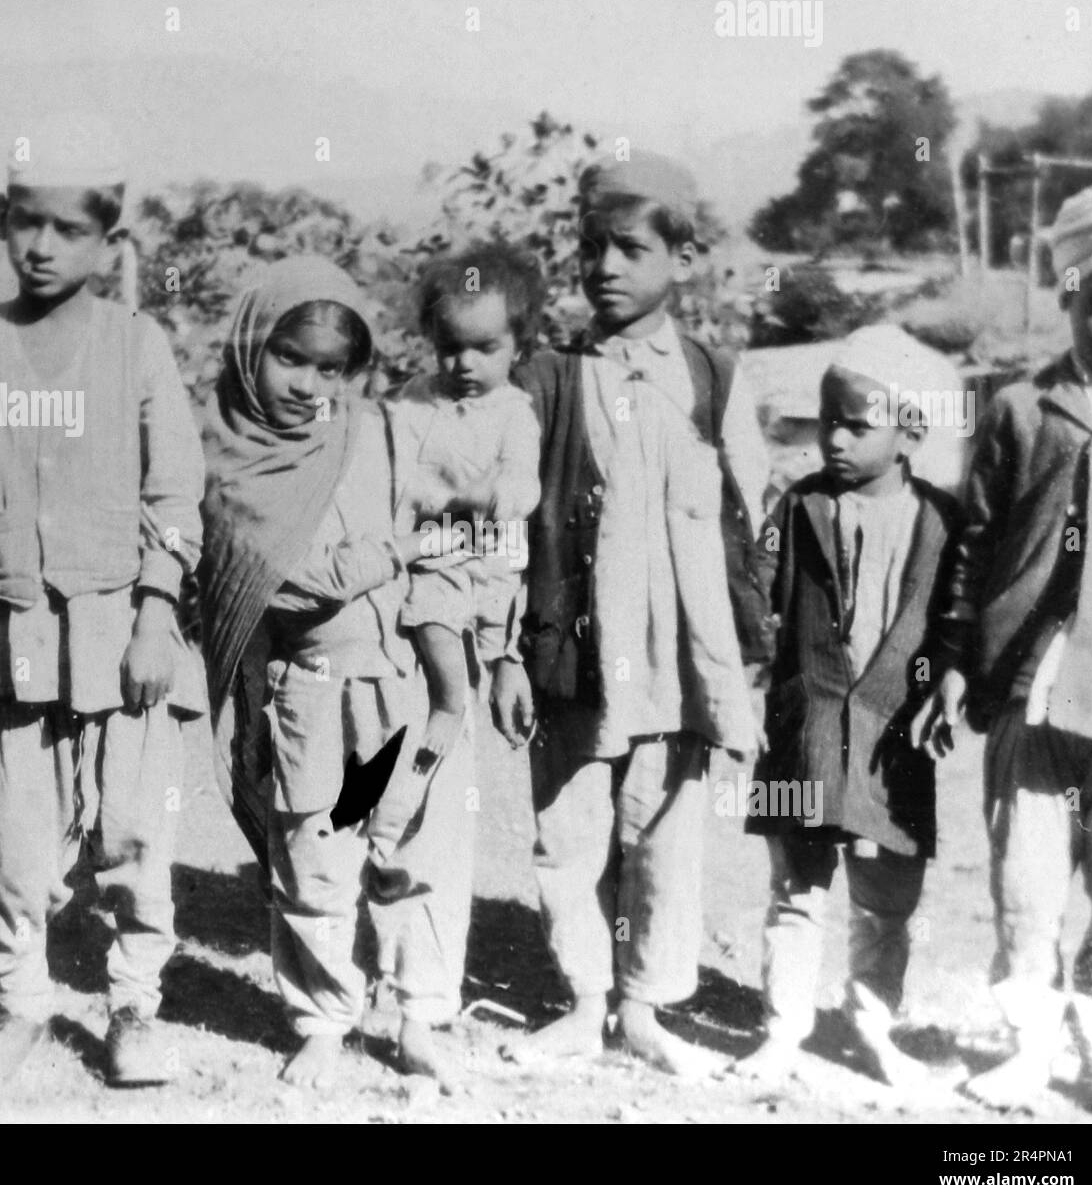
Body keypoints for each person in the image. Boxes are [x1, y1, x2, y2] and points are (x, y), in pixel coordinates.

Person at [0, 112, 206, 1088]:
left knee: (130, 829)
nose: (43, 246)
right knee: (22, 842)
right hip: (12, 633)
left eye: (69, 228)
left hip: (122, 627)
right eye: (27, 223)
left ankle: (132, 1004)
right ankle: (19, 1002)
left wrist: (158, 610)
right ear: (3, 220)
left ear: (108, 241)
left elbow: (174, 493)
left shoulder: (138, 345)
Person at [493, 150, 761, 1076]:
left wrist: (742, 648)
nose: (605, 266)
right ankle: (583, 998)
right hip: (575, 648)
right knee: (569, 827)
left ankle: (645, 1005)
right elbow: (508, 523)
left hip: (677, 657)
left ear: (683, 260)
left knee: (663, 829)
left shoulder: (714, 379)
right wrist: (503, 650)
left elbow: (746, 524)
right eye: (591, 247)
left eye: (632, 249)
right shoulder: (546, 378)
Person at [198, 256, 476, 1092]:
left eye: (332, 368)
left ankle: (420, 1013)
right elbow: (292, 576)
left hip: (401, 689)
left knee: (409, 852)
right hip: (309, 696)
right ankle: (322, 1018)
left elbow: (449, 528)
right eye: (291, 358)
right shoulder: (231, 456)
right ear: (252, 350)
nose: (311, 385)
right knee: (314, 861)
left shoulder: (379, 432)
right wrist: (398, 549)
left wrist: (450, 656)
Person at [914, 174, 1092, 1119]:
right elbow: (973, 539)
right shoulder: (1019, 409)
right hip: (1032, 678)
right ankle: (1028, 1050)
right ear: (1070, 294)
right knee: (1026, 881)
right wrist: (957, 655)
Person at [735, 326, 966, 1091]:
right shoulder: (796, 506)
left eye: (856, 424)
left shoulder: (944, 522)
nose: (833, 437)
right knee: (794, 890)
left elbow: (958, 620)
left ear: (911, 432)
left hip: (891, 741)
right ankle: (782, 1031)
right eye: (827, 418)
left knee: (887, 900)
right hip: (800, 731)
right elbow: (752, 597)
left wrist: (946, 685)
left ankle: (872, 1028)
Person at [390, 241, 543, 762]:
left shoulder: (514, 412)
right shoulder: (416, 400)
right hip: (439, 550)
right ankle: (450, 705)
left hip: (497, 553)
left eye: (485, 349)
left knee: (501, 627)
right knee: (433, 616)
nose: (465, 364)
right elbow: (400, 474)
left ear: (518, 348)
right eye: (451, 347)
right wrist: (443, 499)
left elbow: (524, 481)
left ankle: (498, 675)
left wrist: (497, 494)